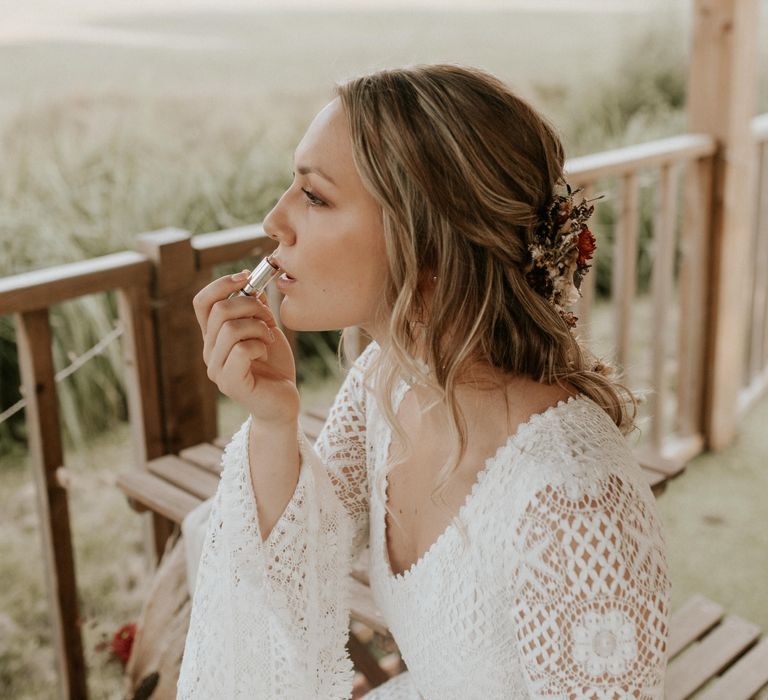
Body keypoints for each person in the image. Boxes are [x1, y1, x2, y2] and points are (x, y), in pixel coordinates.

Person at [177, 64, 671, 699]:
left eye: (316, 196)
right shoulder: (387, 383)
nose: (275, 222)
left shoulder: (577, 503)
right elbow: (299, 570)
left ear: (430, 246)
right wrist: (274, 417)